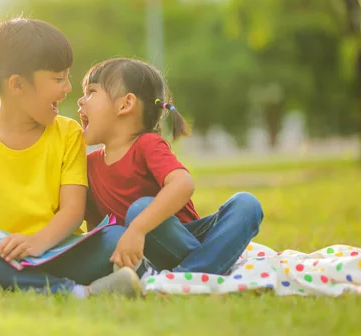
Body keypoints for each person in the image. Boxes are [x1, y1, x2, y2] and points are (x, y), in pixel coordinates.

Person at [0, 19, 141, 298]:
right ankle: (74, 293)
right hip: (3, 252)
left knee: (116, 238)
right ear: (17, 85)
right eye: (58, 78)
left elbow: (73, 213)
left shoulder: (68, 133)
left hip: (58, 248)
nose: (68, 88)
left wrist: (37, 243)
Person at [77, 57, 264, 276]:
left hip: (187, 238)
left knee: (246, 204)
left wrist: (138, 229)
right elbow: (97, 230)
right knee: (130, 218)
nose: (81, 101)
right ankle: (203, 270)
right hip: (144, 257)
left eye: (91, 92)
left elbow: (182, 184)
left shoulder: (147, 144)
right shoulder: (89, 166)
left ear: (125, 104)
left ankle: (188, 275)